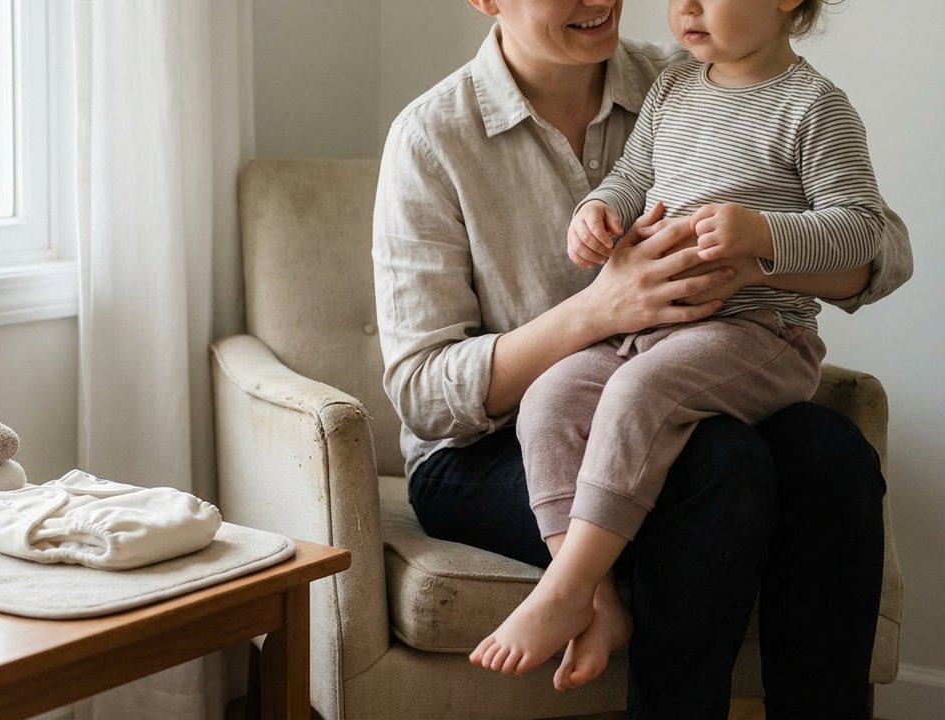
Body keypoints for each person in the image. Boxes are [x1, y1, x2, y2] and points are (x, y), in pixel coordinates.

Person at [371, 0, 912, 716]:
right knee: (718, 462)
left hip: (689, 361)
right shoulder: (432, 136)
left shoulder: (697, 72)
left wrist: (757, 258)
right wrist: (599, 309)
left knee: (832, 453)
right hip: (487, 447)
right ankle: (585, 594)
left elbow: (881, 249)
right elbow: (423, 392)